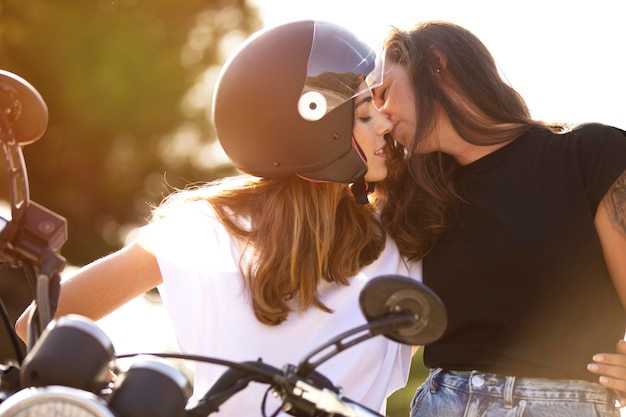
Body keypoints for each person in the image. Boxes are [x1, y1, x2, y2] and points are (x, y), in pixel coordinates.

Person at [15, 21, 418, 416]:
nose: (384, 123)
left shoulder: (205, 226)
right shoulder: (203, 229)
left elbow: (35, 325)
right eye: (365, 115)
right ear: (314, 129)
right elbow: (39, 320)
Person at [372, 20, 626, 416]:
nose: (382, 115)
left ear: (437, 64)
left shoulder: (590, 153)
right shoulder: (415, 197)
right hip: (442, 401)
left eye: (384, 93)